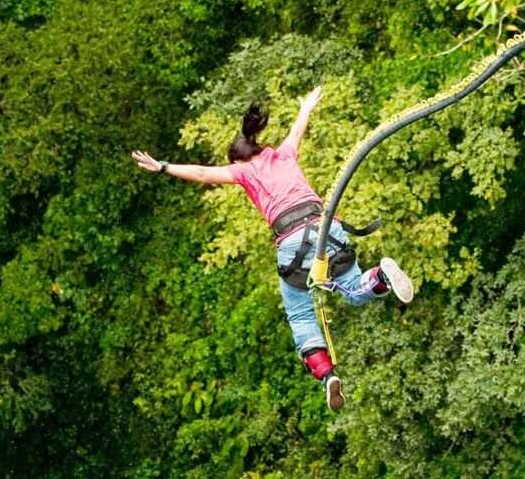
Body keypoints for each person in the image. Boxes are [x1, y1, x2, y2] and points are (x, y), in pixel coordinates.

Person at [131, 86, 414, 411]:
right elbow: (297, 130)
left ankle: (328, 376)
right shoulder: (283, 154)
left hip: (292, 242)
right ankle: (381, 277)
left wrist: (163, 166)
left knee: (300, 313)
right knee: (353, 287)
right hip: (326, 227)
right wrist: (307, 106)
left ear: (238, 159)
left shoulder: (243, 170)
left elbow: (202, 173)